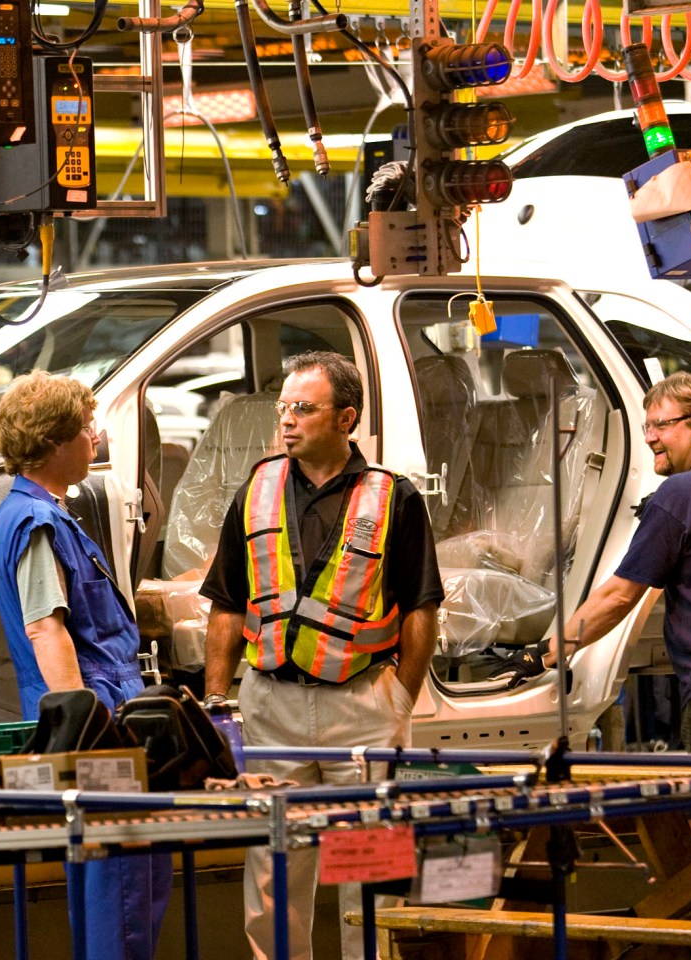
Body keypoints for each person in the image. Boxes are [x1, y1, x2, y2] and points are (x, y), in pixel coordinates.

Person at [497, 372, 691, 859]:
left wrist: (546, 652)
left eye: (661, 426)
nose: (649, 438)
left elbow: (619, 596)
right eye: (646, 427)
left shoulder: (680, 492)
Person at [201, 351, 445, 960]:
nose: (286, 419)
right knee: (273, 874)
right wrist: (216, 699)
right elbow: (226, 604)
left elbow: (421, 608)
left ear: (346, 418)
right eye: (284, 407)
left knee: (371, 876)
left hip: (361, 709)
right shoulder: (255, 489)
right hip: (271, 709)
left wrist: (400, 700)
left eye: (303, 409)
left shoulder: (393, 498)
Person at [0, 371, 170, 960]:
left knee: (119, 882)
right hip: (98, 727)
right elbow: (46, 629)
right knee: (121, 888)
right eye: (86, 427)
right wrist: (88, 732)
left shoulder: (42, 513)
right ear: (54, 440)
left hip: (101, 720)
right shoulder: (37, 523)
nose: (96, 437)